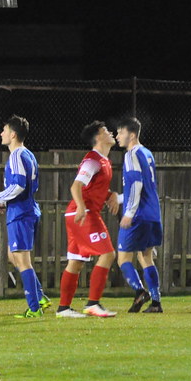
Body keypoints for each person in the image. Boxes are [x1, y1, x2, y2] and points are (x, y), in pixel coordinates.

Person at [55, 121, 119, 318]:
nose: (111, 133)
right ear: (98, 137)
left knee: (76, 262)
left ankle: (64, 308)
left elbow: (93, 188)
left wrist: (110, 195)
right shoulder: (92, 160)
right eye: (106, 131)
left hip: (77, 213)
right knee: (108, 254)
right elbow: (75, 187)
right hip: (83, 214)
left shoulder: (104, 161)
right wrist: (82, 207)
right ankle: (93, 304)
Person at [0, 115, 50, 318]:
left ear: (13, 134)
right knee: (11, 255)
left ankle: (34, 308)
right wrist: (6, 203)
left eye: (4, 130)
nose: (1, 133)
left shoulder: (16, 155)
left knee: (23, 261)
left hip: (22, 213)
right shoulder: (29, 155)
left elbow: (18, 185)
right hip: (24, 209)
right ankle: (39, 295)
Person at [115, 117, 164, 313]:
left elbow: (136, 184)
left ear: (132, 135)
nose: (118, 136)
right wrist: (119, 199)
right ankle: (156, 302)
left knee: (123, 258)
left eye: (121, 132)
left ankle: (139, 291)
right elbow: (145, 186)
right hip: (153, 214)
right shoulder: (147, 153)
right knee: (145, 258)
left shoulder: (131, 154)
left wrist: (128, 212)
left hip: (138, 216)